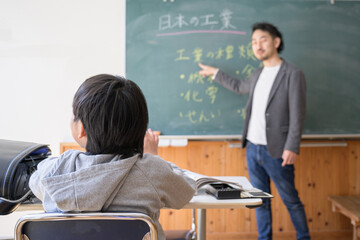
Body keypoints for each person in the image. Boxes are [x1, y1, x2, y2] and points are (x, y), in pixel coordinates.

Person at [29, 74, 196, 240]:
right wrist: (153, 156)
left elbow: (34, 183)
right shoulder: (152, 170)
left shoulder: (54, 169)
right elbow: (185, 192)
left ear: (81, 129)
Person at [198, 22, 310, 240]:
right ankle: (264, 238)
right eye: (254, 42)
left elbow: (298, 114)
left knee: (291, 200)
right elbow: (240, 87)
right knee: (258, 200)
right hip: (252, 148)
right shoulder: (258, 73)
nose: (257, 45)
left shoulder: (293, 74)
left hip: (277, 150)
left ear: (276, 42)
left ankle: (304, 238)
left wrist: (292, 147)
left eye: (263, 40)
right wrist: (216, 73)